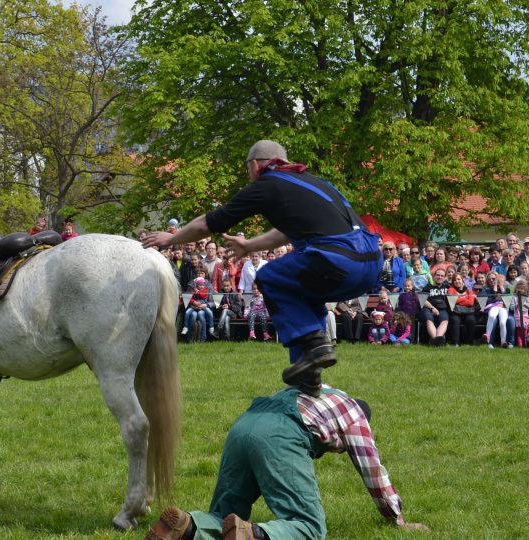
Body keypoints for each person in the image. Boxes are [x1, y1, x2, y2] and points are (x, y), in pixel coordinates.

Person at [141, 140, 381, 395]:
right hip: (371, 263)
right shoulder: (317, 183)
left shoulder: (267, 184)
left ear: (255, 165)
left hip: (337, 260)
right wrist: (249, 246)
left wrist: (171, 239)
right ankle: (309, 376)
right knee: (302, 297)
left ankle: (315, 344)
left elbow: (208, 224)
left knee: (269, 277)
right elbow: (285, 233)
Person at [145, 385, 426, 540]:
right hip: (281, 433)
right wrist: (396, 518)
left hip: (244, 426)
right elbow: (372, 470)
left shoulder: (322, 391)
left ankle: (187, 525)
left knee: (226, 513)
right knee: (309, 525)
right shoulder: (354, 414)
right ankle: (251, 536)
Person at [421, 269, 451, 345]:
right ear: (434, 276)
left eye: (442, 276)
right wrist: (432, 308)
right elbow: (423, 300)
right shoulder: (428, 287)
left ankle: (436, 340)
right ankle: (436, 340)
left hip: (442, 309)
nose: (439, 277)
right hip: (428, 308)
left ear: (444, 278)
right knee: (429, 320)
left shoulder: (447, 287)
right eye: (438, 275)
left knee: (445, 321)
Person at [448, 273, 477, 346]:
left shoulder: (469, 290)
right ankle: (455, 343)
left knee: (471, 320)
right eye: (455, 280)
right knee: (455, 320)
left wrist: (458, 299)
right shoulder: (451, 289)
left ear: (462, 280)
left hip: (468, 312)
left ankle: (469, 342)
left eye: (458, 279)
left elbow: (471, 303)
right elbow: (452, 301)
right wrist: (464, 299)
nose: (457, 281)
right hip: (456, 312)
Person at [182, 276, 214, 342]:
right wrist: (194, 302)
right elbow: (187, 297)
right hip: (193, 307)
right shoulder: (192, 288)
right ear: (197, 285)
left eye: (202, 285)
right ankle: (188, 335)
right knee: (190, 314)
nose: (201, 286)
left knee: (204, 314)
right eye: (200, 285)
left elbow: (204, 296)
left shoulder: (206, 288)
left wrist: (204, 304)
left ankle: (206, 334)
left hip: (203, 307)